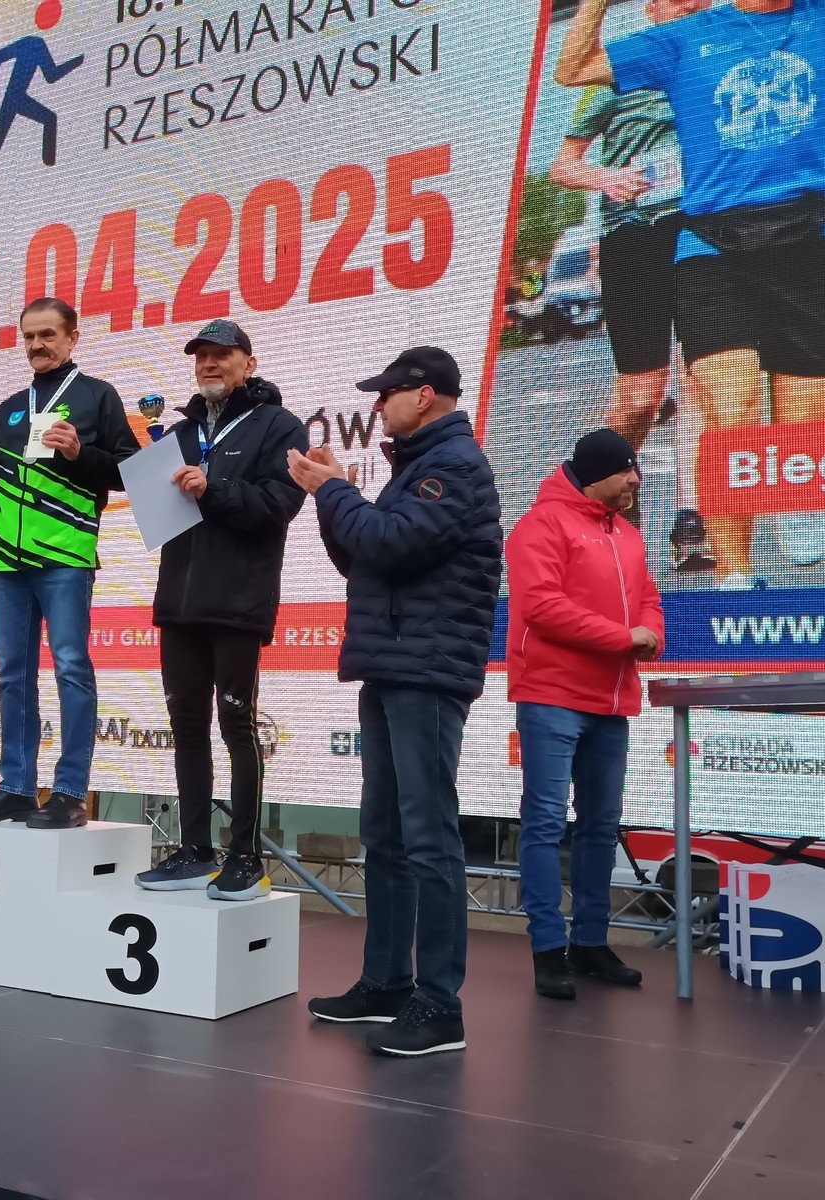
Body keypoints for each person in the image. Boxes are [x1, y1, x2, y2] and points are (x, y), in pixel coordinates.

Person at [556, 0, 825, 589]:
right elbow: (572, 83)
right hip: (687, 241)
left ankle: (768, 504)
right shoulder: (675, 44)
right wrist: (594, 6)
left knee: (782, 425)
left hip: (794, 238)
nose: (685, 2)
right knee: (697, 406)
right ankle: (717, 571)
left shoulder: (819, 15)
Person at [289, 347, 502, 1059]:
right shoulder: (419, 467)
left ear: (425, 395)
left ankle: (440, 1003)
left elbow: (391, 542)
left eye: (387, 394)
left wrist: (335, 490)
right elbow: (364, 558)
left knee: (428, 837)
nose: (378, 405)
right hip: (393, 665)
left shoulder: (455, 466)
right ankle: (386, 983)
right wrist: (332, 498)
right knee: (384, 833)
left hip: (427, 671)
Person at [0, 298, 139, 829]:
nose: (37, 345)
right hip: (9, 560)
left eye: (48, 335)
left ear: (73, 338)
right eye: (29, 336)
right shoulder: (12, 406)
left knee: (71, 667)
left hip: (66, 556)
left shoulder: (98, 396)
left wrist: (80, 453)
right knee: (12, 674)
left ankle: (70, 792)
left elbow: (130, 471)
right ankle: (16, 787)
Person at [136, 320, 308, 901]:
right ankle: (193, 851)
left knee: (237, 727)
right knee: (186, 727)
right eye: (201, 356)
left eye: (221, 355)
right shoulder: (178, 433)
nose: (209, 364)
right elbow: (162, 514)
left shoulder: (279, 426)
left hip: (237, 602)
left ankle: (246, 857)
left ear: (248, 364)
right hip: (179, 602)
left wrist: (213, 488)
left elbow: (278, 505)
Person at [546, 0, 716, 572]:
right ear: (651, 7)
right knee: (643, 393)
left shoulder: (714, 54)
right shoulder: (618, 69)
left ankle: (694, 519)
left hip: (700, 229)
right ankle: (606, 491)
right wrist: (607, 177)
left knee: (703, 379)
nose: (692, 4)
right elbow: (563, 166)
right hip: (634, 235)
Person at [506, 429, 665, 1000]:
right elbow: (542, 606)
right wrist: (625, 638)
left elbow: (649, 599)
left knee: (600, 826)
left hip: (610, 700)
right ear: (598, 474)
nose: (636, 481)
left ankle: (591, 942)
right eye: (627, 471)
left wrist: (650, 635)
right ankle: (548, 949)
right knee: (546, 823)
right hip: (551, 695)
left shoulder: (628, 533)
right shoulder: (541, 524)